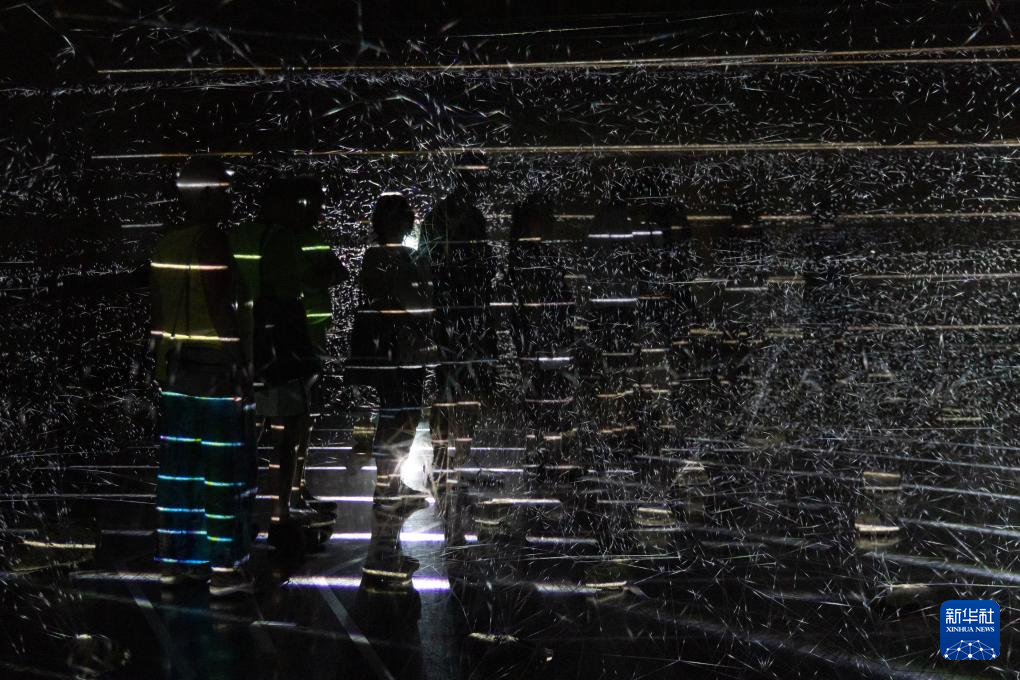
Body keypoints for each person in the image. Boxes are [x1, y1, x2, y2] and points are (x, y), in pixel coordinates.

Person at [149, 157, 257, 596]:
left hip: (176, 371)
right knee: (221, 469)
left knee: (180, 471)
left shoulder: (167, 244)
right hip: (212, 371)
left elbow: (159, 315)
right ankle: (226, 569)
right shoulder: (212, 241)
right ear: (207, 194)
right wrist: (240, 365)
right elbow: (219, 308)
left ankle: (178, 563)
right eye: (225, 191)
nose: (230, 199)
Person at [229, 178, 331, 553]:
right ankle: (281, 514)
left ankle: (237, 514)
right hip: (275, 350)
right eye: (293, 204)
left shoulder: (236, 236)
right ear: (277, 205)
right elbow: (288, 298)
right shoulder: (282, 239)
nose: (298, 211)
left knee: (244, 436)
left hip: (241, 347)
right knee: (284, 434)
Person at [346, 193, 434, 525]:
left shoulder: (388, 256)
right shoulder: (385, 257)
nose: (409, 220)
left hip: (401, 346)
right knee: (398, 414)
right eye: (404, 215)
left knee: (402, 413)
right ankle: (387, 489)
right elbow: (398, 298)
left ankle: (391, 486)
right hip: (396, 347)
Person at [420, 175, 495, 544]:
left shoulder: (458, 216)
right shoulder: (448, 217)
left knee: (460, 389)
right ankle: (445, 461)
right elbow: (433, 264)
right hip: (456, 313)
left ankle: (452, 461)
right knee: (452, 388)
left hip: (462, 313)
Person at [287, 175, 345, 514]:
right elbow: (335, 273)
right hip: (300, 339)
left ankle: (296, 488)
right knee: (295, 419)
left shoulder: (308, 238)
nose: (320, 212)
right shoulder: (298, 239)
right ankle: (292, 491)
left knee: (301, 418)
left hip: (307, 337)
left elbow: (338, 272)